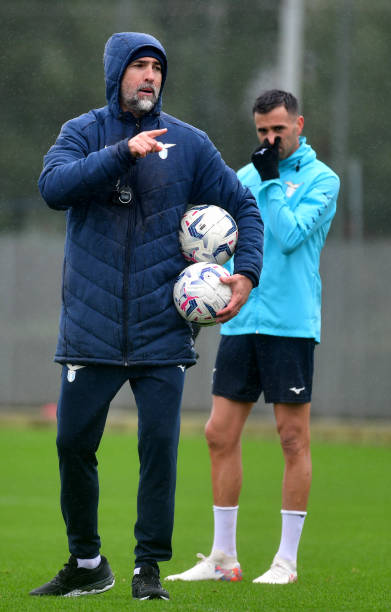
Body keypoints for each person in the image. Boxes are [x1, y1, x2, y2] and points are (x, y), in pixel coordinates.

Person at [30, 32, 263, 601]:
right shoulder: (81, 134)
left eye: (157, 68)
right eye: (139, 66)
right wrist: (119, 154)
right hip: (91, 327)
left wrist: (247, 273)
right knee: (71, 445)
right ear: (116, 73)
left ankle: (147, 568)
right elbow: (52, 188)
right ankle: (87, 561)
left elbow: (245, 207)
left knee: (158, 448)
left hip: (163, 328)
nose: (150, 77)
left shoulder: (190, 144)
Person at [165, 89, 340, 585]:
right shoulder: (242, 178)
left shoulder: (322, 180)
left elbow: (286, 236)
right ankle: (223, 558)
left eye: (278, 130)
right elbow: (222, 242)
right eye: (262, 131)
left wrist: (268, 183)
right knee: (218, 434)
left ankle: (285, 562)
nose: (269, 139)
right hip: (241, 321)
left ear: (299, 125)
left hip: (290, 324)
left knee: (291, 438)